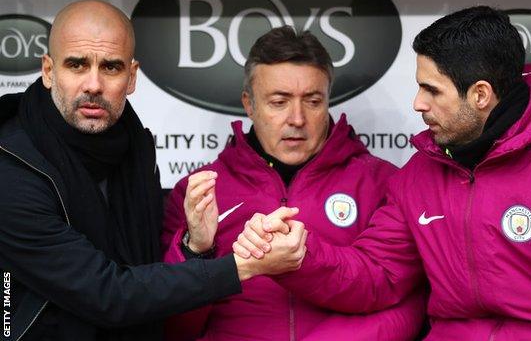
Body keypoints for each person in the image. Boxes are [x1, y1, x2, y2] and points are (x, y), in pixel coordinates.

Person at [235, 6, 531, 340]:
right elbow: (377, 276)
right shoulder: (419, 175)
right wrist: (301, 256)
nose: (418, 103)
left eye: (431, 90)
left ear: (480, 94)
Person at [0, 0, 304, 341]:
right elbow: (108, 294)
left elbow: (147, 275)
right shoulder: (12, 168)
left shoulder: (133, 146)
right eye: (77, 65)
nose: (93, 85)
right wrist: (243, 266)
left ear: (131, 77)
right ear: (48, 71)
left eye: (111, 68)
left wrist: (195, 246)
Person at [161, 26, 424, 341]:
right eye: (279, 102)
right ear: (249, 103)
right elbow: (173, 326)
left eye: (312, 101)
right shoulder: (199, 191)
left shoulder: (381, 182)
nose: (297, 119)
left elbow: (409, 301)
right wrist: (196, 253)